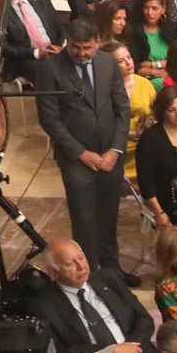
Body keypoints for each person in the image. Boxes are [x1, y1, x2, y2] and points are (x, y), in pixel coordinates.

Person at [37, 16, 133, 278]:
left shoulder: (107, 62)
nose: (81, 53)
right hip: (76, 158)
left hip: (110, 155)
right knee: (84, 220)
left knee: (109, 216)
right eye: (75, 47)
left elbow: (122, 109)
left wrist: (116, 149)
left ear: (98, 43)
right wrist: (81, 153)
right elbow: (49, 119)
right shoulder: (50, 69)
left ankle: (113, 272)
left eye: (87, 48)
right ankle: (89, 274)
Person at [31, 238, 156, 353]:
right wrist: (111, 352)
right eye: (70, 263)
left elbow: (144, 319)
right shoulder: (44, 306)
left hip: (137, 351)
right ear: (52, 273)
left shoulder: (110, 278)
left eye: (81, 258)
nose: (81, 267)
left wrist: (129, 349)